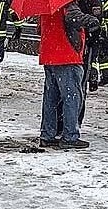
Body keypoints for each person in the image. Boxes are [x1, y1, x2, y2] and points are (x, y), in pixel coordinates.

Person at [39, 0, 99, 148]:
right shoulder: (66, 3)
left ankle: (47, 135)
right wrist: (92, 20)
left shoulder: (46, 7)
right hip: (66, 56)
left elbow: (39, 29)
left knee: (51, 99)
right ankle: (70, 136)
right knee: (72, 97)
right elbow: (74, 17)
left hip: (49, 55)